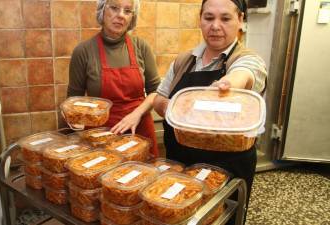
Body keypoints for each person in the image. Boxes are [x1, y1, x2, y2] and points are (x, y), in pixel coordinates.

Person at [153, 0, 267, 223]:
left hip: (226, 169)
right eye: (208, 18)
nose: (215, 26)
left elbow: (244, 74)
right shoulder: (184, 60)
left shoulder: (248, 59)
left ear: (241, 20)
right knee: (179, 216)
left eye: (225, 18)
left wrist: (227, 84)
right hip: (181, 162)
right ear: (200, 19)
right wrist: (172, 108)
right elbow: (159, 98)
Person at [68, 0, 161, 157]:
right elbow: (73, 101)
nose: (120, 16)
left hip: (138, 129)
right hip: (101, 134)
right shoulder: (83, 51)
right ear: (102, 10)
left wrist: (136, 115)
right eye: (114, 8)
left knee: (143, 178)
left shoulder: (141, 47)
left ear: (132, 17)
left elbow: (156, 92)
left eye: (127, 11)